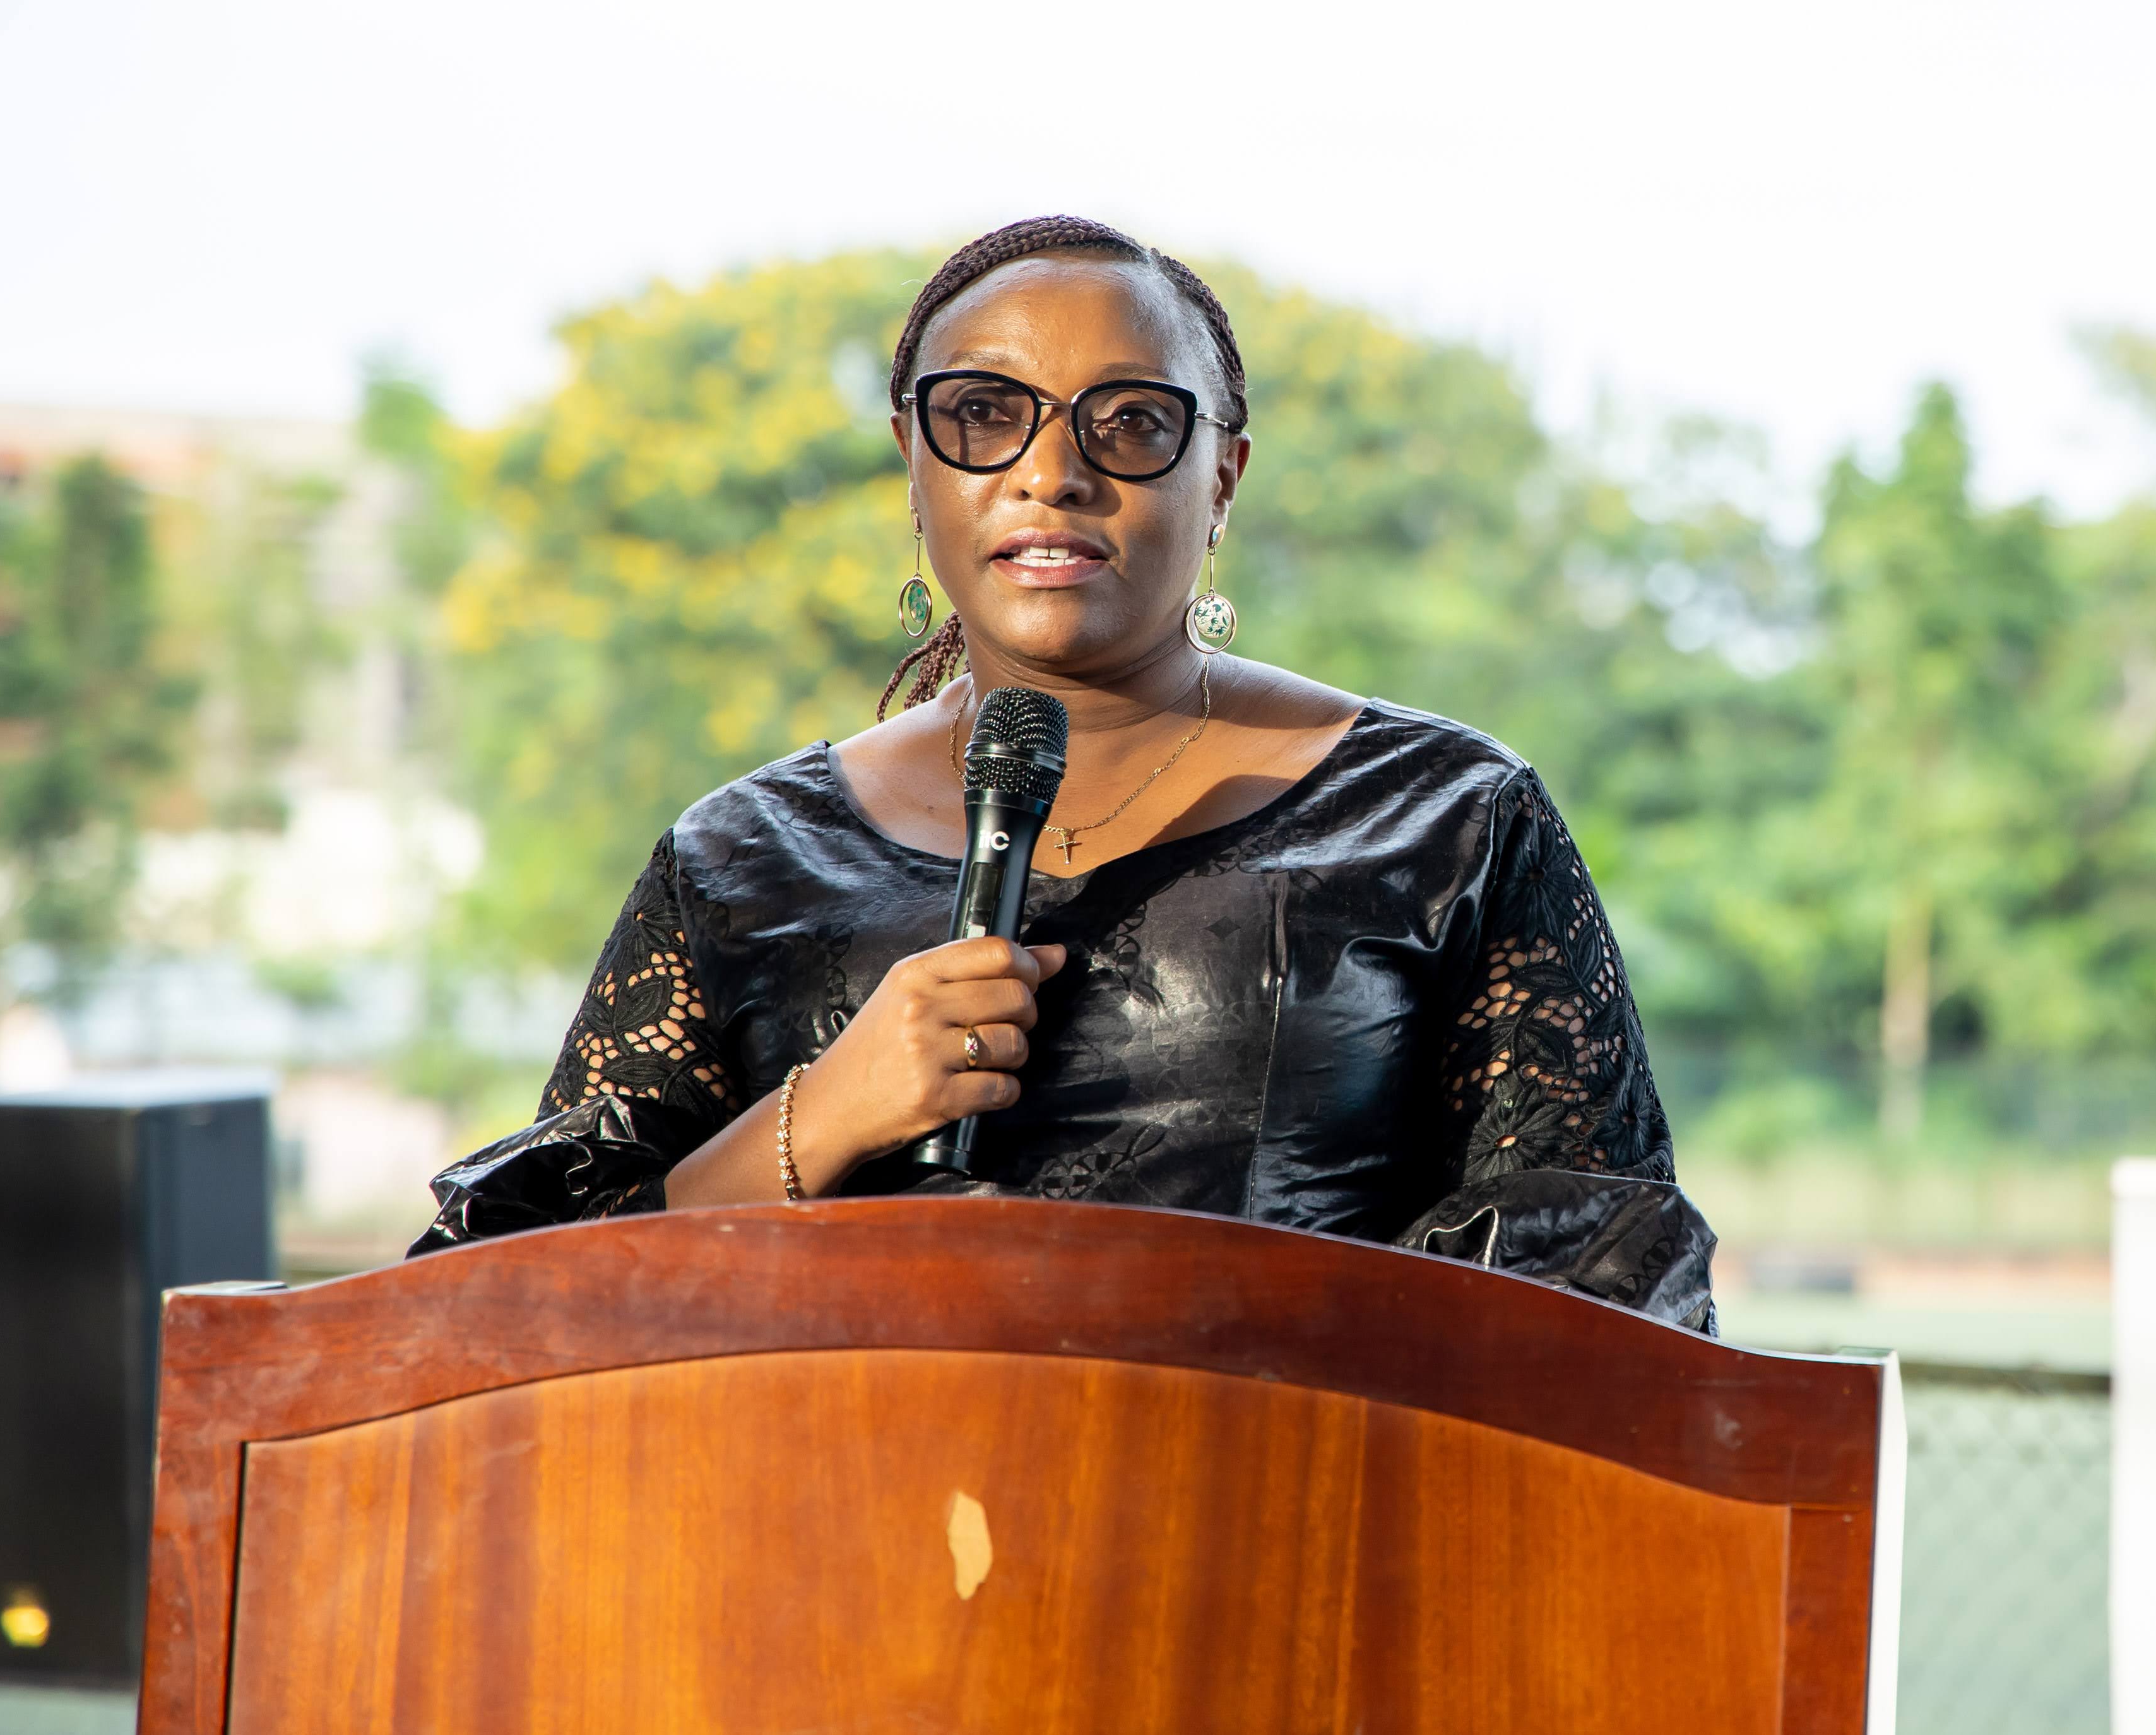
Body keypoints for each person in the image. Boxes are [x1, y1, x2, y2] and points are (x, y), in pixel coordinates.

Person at [408, 216, 1716, 1333]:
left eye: (1132, 422)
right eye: (985, 415)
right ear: (914, 464)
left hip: (1289, 1520)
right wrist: (822, 1116)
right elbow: (505, 1310)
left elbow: (1599, 1295)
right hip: (834, 1531)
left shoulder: (1445, 816)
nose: (1052, 472)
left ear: (1223, 477)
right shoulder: (741, 856)